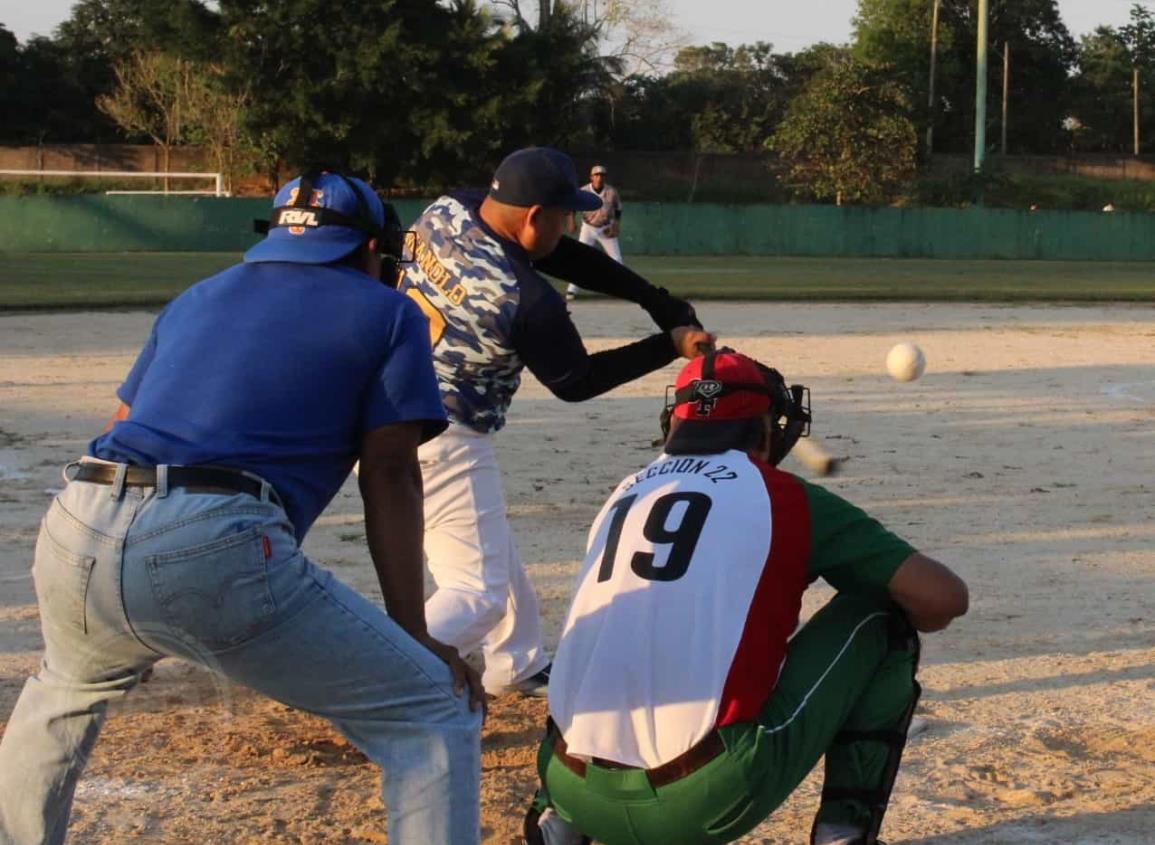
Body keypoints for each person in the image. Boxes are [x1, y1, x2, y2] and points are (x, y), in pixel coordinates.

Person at [0, 172, 485, 845]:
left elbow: (124, 418)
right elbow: (391, 470)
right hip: (210, 541)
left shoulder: (197, 296)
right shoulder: (387, 310)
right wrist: (413, 628)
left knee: (60, 694)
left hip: (77, 519)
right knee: (430, 710)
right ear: (372, 248)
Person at [523, 348, 969, 845]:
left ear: (675, 421)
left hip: (570, 785)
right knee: (879, 619)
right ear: (768, 430)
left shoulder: (626, 492)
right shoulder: (783, 496)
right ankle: (843, 832)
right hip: (697, 803)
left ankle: (554, 820)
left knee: (618, 628)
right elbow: (943, 599)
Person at [395, 146, 713, 697]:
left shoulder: (448, 210)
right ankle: (378, 677)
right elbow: (576, 382)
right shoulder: (526, 300)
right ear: (535, 216)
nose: (571, 225)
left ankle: (514, 663)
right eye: (563, 215)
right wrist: (668, 344)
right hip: (443, 435)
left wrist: (651, 298)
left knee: (490, 547)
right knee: (477, 591)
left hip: (387, 405)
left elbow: (562, 254)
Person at [566, 164, 624, 301]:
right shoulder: (584, 191)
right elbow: (573, 206)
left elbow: (618, 208)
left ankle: (622, 289)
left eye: (602, 175)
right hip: (588, 228)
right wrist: (572, 221)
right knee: (580, 258)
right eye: (596, 175)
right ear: (591, 177)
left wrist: (615, 224)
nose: (599, 177)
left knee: (617, 260)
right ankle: (571, 290)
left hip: (606, 228)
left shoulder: (611, 191)